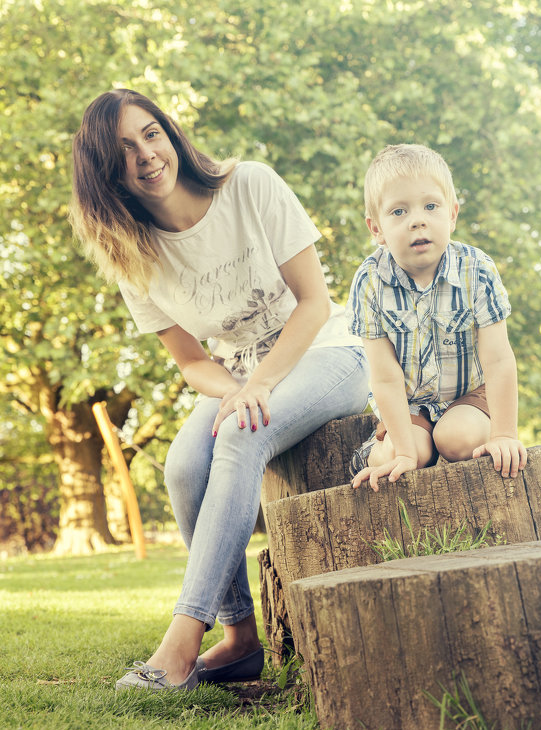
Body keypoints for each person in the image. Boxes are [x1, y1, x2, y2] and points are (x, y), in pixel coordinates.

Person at [70, 89, 369, 690]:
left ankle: (181, 644)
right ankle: (239, 639)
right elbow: (190, 362)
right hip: (240, 380)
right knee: (182, 467)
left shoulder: (249, 185)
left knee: (240, 432)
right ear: (105, 171)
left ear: (172, 134)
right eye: (124, 148)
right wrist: (237, 387)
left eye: (152, 134)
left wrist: (254, 387)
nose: (146, 154)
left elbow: (315, 303)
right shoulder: (131, 254)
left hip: (330, 354)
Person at [346, 143, 527, 492]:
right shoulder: (369, 282)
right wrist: (404, 453)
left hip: (470, 393)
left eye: (431, 206)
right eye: (398, 212)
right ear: (376, 229)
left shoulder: (477, 270)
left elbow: (499, 359)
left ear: (452, 214)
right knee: (403, 456)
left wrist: (505, 434)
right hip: (409, 401)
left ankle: (468, 433)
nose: (417, 220)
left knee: (456, 440)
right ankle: (375, 450)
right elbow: (385, 377)